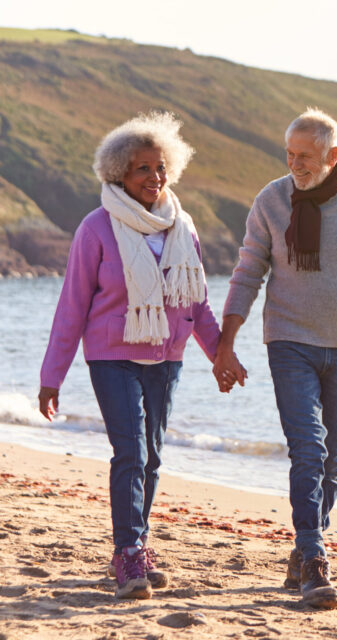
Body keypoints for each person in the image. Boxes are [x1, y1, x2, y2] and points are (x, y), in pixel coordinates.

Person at [214, 108, 337, 609]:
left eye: (305, 156)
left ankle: (304, 548)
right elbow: (247, 271)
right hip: (289, 342)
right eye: (290, 154)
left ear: (333, 155)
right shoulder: (272, 200)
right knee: (309, 447)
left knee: (335, 456)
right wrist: (226, 341)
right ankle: (316, 559)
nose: (294, 164)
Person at [38, 111, 222, 600]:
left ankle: (138, 543)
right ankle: (128, 553)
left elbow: (197, 301)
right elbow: (72, 305)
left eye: (160, 167)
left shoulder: (182, 226)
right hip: (111, 356)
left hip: (167, 357)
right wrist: (51, 376)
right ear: (119, 172)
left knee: (153, 457)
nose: (154, 177)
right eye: (143, 168)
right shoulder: (96, 228)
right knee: (131, 452)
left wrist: (221, 355)